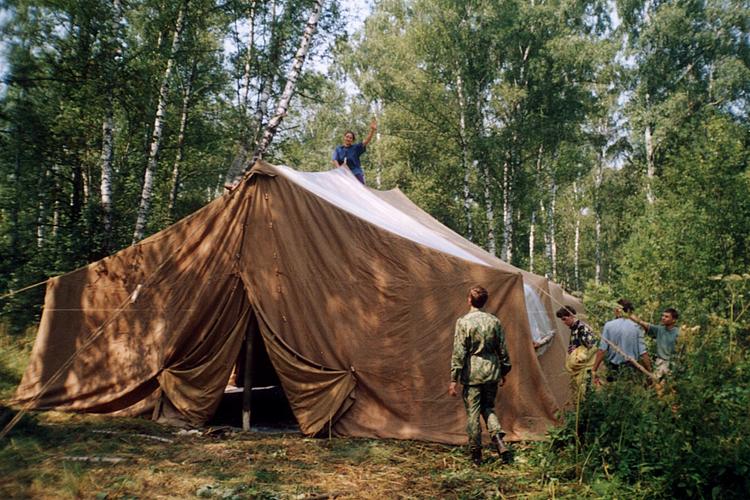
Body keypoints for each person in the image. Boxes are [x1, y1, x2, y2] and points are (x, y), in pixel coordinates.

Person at [448, 286, 512, 466]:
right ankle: (498, 439)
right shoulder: (494, 321)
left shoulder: (463, 322)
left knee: (473, 414)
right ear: (485, 301)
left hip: (473, 373)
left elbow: (459, 352)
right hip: (492, 371)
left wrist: (454, 378)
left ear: (469, 300)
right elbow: (503, 349)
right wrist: (504, 370)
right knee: (488, 407)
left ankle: (476, 455)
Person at [592, 299, 653, 384]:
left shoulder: (609, 325)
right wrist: (649, 372)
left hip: (613, 368)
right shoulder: (636, 327)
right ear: (629, 311)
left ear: (617, 310)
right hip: (631, 368)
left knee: (613, 392)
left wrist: (594, 370)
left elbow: (602, 350)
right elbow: (643, 353)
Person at [557, 306, 597, 398]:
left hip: (585, 369)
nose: (563, 322)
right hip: (578, 370)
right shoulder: (574, 328)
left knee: (586, 394)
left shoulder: (582, 328)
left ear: (571, 315)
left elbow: (592, 346)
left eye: (564, 319)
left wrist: (578, 359)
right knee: (579, 395)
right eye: (562, 320)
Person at [630, 308, 680, 379]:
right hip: (660, 362)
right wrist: (626, 313)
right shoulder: (659, 329)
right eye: (663, 316)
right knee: (655, 384)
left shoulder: (679, 332)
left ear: (674, 320)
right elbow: (642, 322)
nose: (663, 318)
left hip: (673, 363)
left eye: (666, 316)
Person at [331, 119, 377, 184]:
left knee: (361, 188)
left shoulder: (355, 148)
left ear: (352, 140)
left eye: (350, 138)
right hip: (343, 173)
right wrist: (339, 170)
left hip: (355, 173)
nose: (348, 139)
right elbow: (334, 160)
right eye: (347, 137)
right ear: (344, 137)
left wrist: (372, 130)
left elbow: (366, 142)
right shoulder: (338, 149)